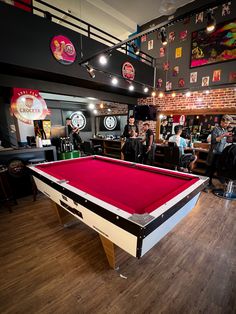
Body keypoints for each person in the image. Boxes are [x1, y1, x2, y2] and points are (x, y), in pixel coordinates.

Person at [205, 114, 233, 189]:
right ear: (222, 121)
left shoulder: (225, 130)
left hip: (220, 153)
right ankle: (205, 186)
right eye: (226, 123)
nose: (227, 125)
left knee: (214, 170)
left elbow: (225, 141)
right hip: (213, 153)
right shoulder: (216, 129)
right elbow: (213, 141)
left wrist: (229, 137)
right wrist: (223, 135)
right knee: (209, 170)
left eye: (228, 123)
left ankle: (210, 183)